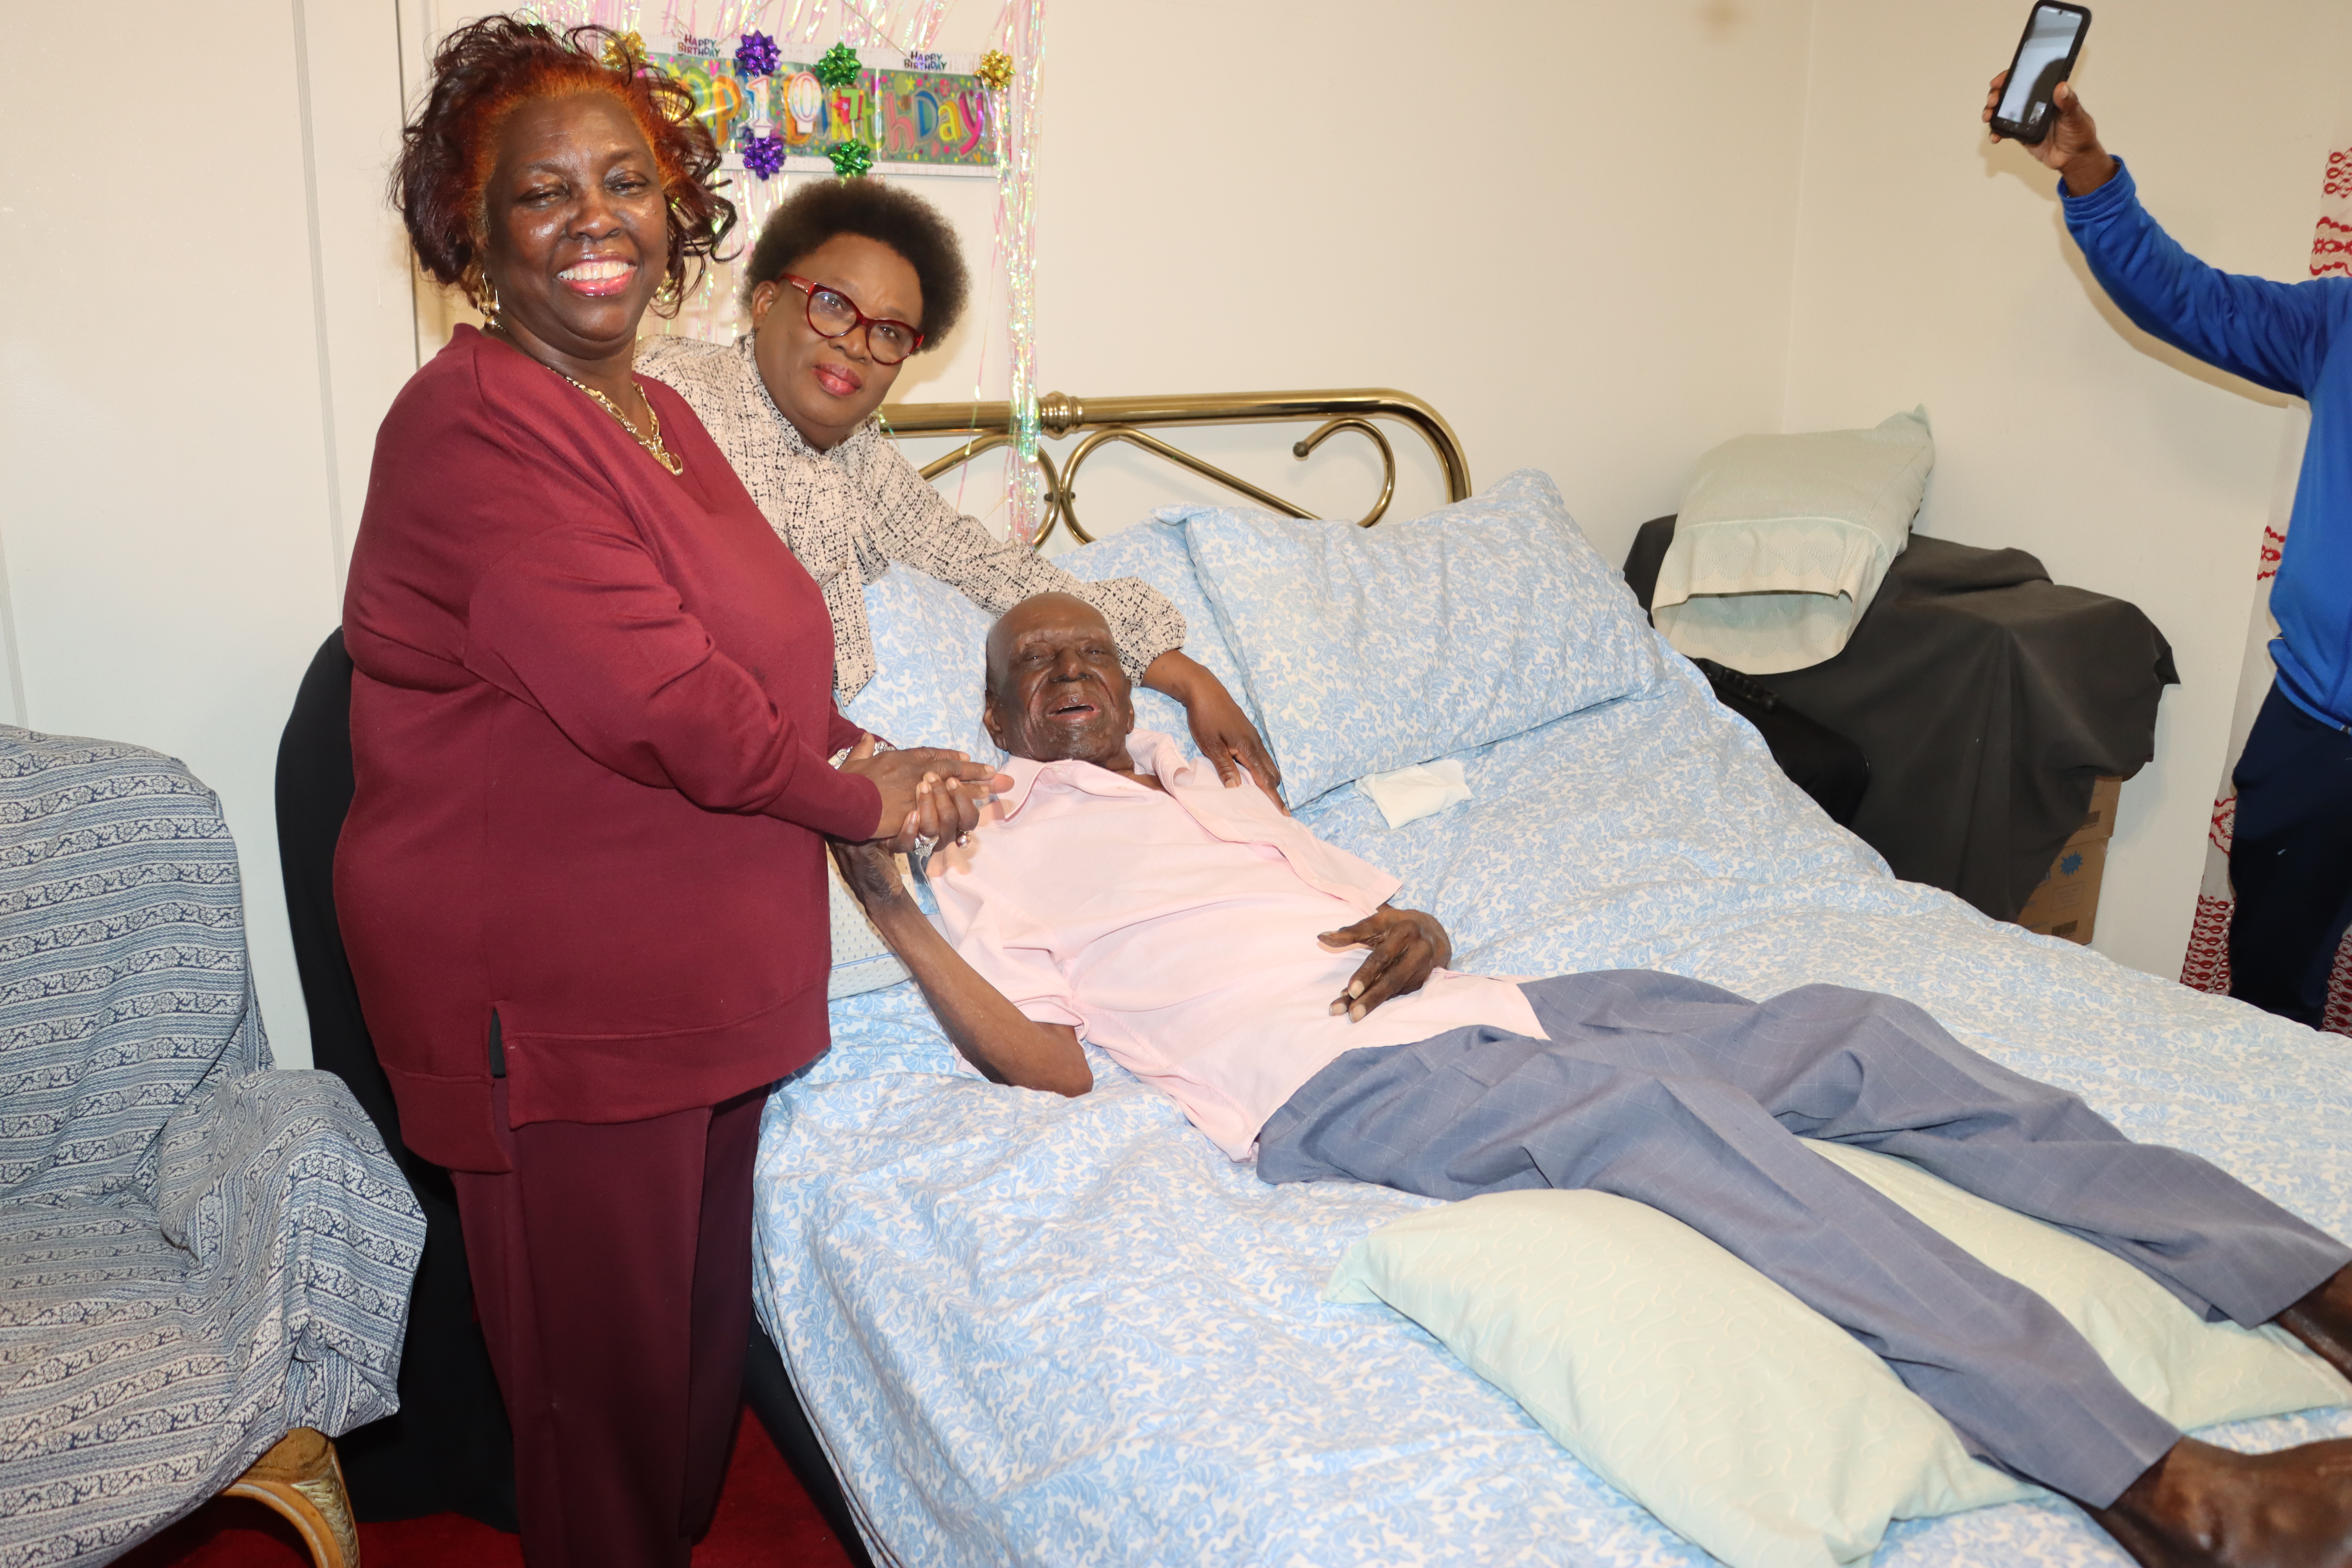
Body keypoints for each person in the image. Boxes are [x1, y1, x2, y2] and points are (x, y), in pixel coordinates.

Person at [836, 590, 2352, 1568]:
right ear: (995, 715)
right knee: (1660, 1116)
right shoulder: (989, 834)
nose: (1069, 675)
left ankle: (2305, 1278)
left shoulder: (1217, 783)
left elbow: (1373, 896)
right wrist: (891, 899)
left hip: (1481, 998)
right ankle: (2167, 1488)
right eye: (1031, 666)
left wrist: (1423, 921)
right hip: (1324, 1080)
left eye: (1089, 650)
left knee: (1857, 1032)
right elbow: (1045, 1058)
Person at [338, 19, 1001, 1567]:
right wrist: (868, 799)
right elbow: (663, 702)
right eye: (541, 193)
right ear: (472, 233)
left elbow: (752, 645)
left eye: (625, 182)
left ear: (677, 207)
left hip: (693, 974)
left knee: (686, 1373)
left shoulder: (658, 410)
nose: (594, 221)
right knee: (602, 1408)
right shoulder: (472, 433)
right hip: (562, 1008)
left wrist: (853, 735)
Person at [636, 178, 1284, 801]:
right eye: (833, 304)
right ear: (767, 301)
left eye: (889, 332)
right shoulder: (664, 395)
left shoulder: (864, 465)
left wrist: (1190, 678)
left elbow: (989, 569)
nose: (858, 345)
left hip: (801, 771)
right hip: (672, 758)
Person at [1984, 71, 2352, 1030]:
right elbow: (2182, 299)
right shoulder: (2339, 324)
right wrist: (2087, 173)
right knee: (2269, 1006)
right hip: (2319, 735)